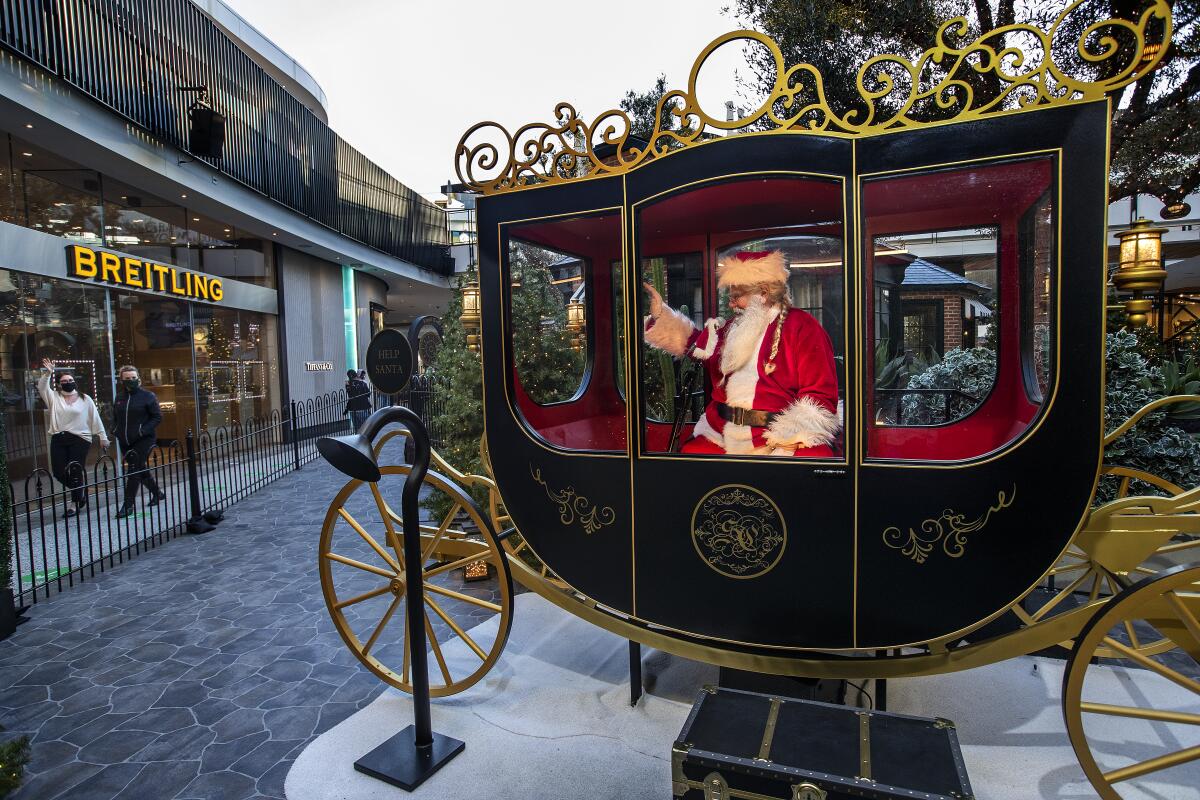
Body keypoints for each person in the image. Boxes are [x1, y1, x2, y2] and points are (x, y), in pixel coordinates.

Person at [643, 250, 840, 456]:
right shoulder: (732, 327)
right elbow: (697, 346)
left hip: (776, 435)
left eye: (736, 297)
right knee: (693, 462)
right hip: (720, 431)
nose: (730, 304)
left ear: (763, 293)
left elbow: (820, 395)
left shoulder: (803, 327)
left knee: (812, 461)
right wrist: (661, 316)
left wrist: (788, 435)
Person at [37, 359, 110, 517]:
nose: (68, 382)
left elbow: (95, 418)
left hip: (80, 439)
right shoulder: (54, 397)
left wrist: (102, 436)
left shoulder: (86, 399)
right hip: (59, 438)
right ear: (59, 384)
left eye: (70, 380)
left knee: (76, 470)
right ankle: (80, 490)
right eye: (64, 381)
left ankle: (74, 504)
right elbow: (42, 387)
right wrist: (48, 373)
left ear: (75, 382)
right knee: (58, 472)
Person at [112, 365, 165, 518]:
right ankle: (157, 493)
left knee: (133, 470)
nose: (130, 381)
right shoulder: (119, 397)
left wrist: (142, 430)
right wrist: (115, 430)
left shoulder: (148, 396)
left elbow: (157, 417)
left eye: (133, 378)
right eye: (127, 379)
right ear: (122, 380)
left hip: (143, 439)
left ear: (138, 379)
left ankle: (128, 506)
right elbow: (116, 417)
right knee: (139, 468)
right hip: (125, 439)